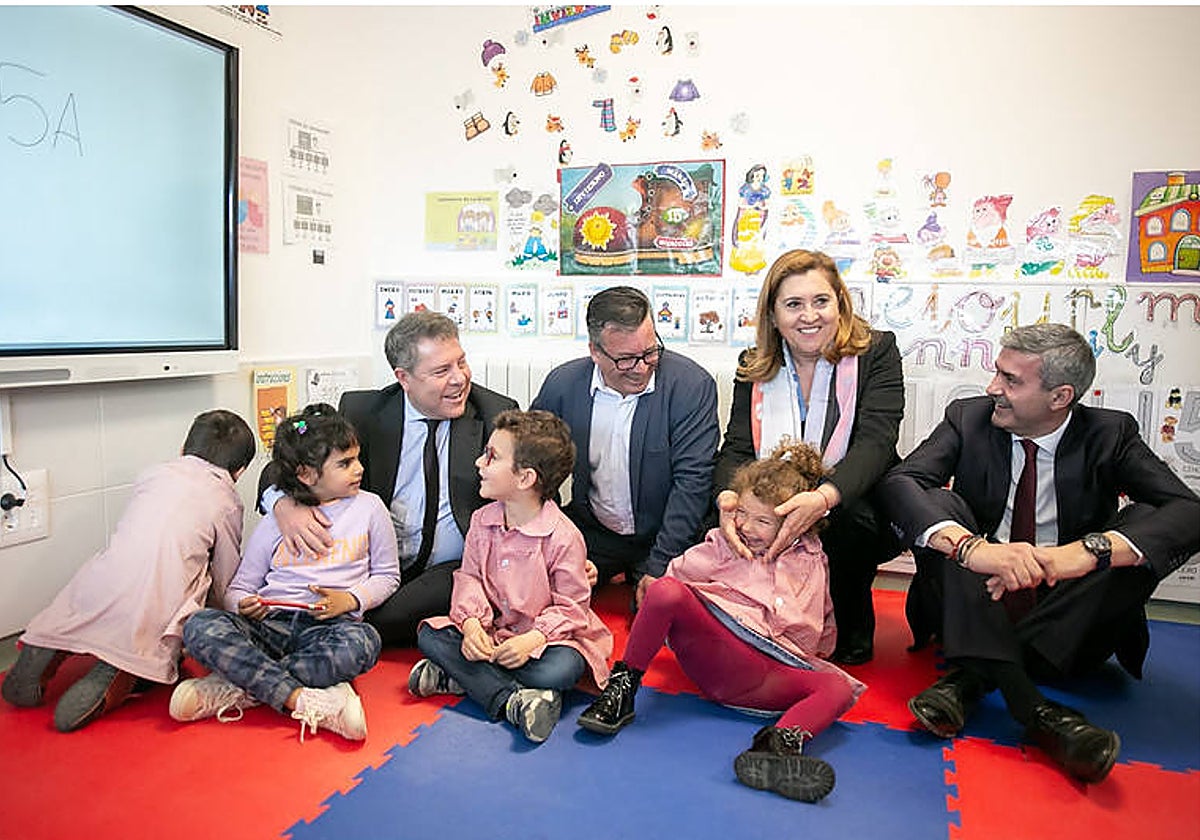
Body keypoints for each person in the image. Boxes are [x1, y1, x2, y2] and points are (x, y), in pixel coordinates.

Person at [879, 323, 1200, 784]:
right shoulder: (967, 418)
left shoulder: (1111, 434)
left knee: (1140, 530)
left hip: (1067, 624)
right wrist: (975, 551)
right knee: (942, 510)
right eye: (997, 374)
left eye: (1011, 380)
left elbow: (1188, 511)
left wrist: (1084, 553)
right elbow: (902, 482)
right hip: (978, 598)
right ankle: (1036, 711)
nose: (993, 388)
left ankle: (972, 677)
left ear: (1060, 396)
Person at [576, 439, 865, 803]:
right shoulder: (725, 542)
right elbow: (676, 580)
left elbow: (821, 619)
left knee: (837, 688)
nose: (746, 526)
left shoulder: (810, 557)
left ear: (795, 524)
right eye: (742, 513)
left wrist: (815, 662)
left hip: (767, 672)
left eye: (763, 520)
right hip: (718, 650)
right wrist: (719, 560)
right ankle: (622, 690)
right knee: (663, 590)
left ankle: (776, 746)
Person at [259, 311, 518, 646]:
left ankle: (331, 638)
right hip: (369, 563)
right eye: (441, 371)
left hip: (451, 567)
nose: (459, 379)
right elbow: (281, 466)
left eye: (461, 363)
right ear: (404, 378)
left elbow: (534, 490)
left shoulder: (494, 412)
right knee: (312, 600)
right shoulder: (364, 412)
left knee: (385, 616)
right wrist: (282, 504)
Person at [1, 409, 256, 732]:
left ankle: (50, 643)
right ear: (239, 471)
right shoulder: (226, 499)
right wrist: (226, 615)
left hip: (99, 581)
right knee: (161, 619)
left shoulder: (155, 474)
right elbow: (225, 570)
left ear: (182, 449)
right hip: (153, 602)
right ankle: (114, 674)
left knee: (80, 606)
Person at [713, 249, 904, 664]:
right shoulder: (754, 365)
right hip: (777, 492)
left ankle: (848, 619)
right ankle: (755, 615)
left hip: (852, 496)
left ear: (840, 303)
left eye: (821, 301)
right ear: (773, 315)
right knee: (718, 512)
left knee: (847, 520)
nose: (809, 316)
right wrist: (729, 499)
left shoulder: (878, 352)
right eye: (794, 304)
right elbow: (739, 448)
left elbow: (877, 441)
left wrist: (823, 498)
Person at [171, 404, 400, 742]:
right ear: (306, 474)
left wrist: (350, 600)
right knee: (199, 625)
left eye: (357, 459)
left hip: (328, 630)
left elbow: (387, 575)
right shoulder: (277, 519)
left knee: (364, 643)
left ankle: (239, 688)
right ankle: (312, 698)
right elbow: (241, 586)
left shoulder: (370, 508)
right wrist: (243, 604)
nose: (359, 469)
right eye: (345, 463)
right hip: (270, 624)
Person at [409, 410, 612, 743]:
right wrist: (472, 624)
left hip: (546, 642)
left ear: (525, 478)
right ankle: (515, 701)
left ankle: (464, 679)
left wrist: (532, 640)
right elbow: (470, 577)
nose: (479, 462)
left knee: (562, 669)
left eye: (491, 456)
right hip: (494, 633)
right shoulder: (481, 521)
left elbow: (572, 608)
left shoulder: (563, 536)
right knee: (430, 635)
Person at [531, 286, 719, 609]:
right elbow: (531, 465)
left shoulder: (692, 386)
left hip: (670, 536)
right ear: (595, 351)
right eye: (626, 359)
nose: (643, 367)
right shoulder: (563, 386)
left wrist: (660, 565)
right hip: (593, 532)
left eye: (650, 352)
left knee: (668, 619)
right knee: (536, 601)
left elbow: (693, 483)